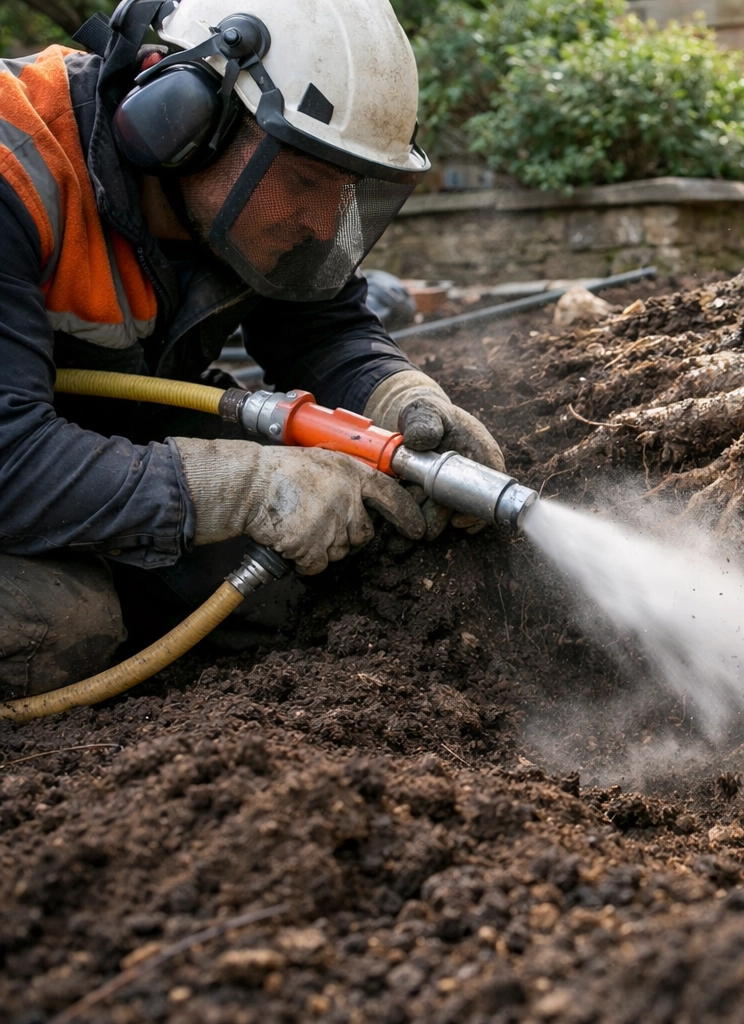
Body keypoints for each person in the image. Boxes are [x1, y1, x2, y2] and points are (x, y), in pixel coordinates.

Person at [0, 0, 502, 697]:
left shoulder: (223, 193)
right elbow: (9, 459)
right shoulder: (16, 168)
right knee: (57, 623)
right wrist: (244, 488)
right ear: (185, 118)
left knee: (304, 577)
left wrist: (400, 395)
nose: (323, 222)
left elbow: (323, 329)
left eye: (345, 189)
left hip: (80, 442)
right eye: (304, 182)